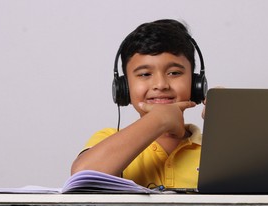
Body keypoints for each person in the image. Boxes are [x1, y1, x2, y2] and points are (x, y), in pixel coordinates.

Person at [71, 19, 207, 191]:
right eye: (144, 74)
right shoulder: (108, 139)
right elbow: (82, 177)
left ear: (196, 83)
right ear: (124, 87)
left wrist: (231, 129)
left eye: (174, 73)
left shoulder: (212, 148)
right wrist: (160, 120)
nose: (161, 84)